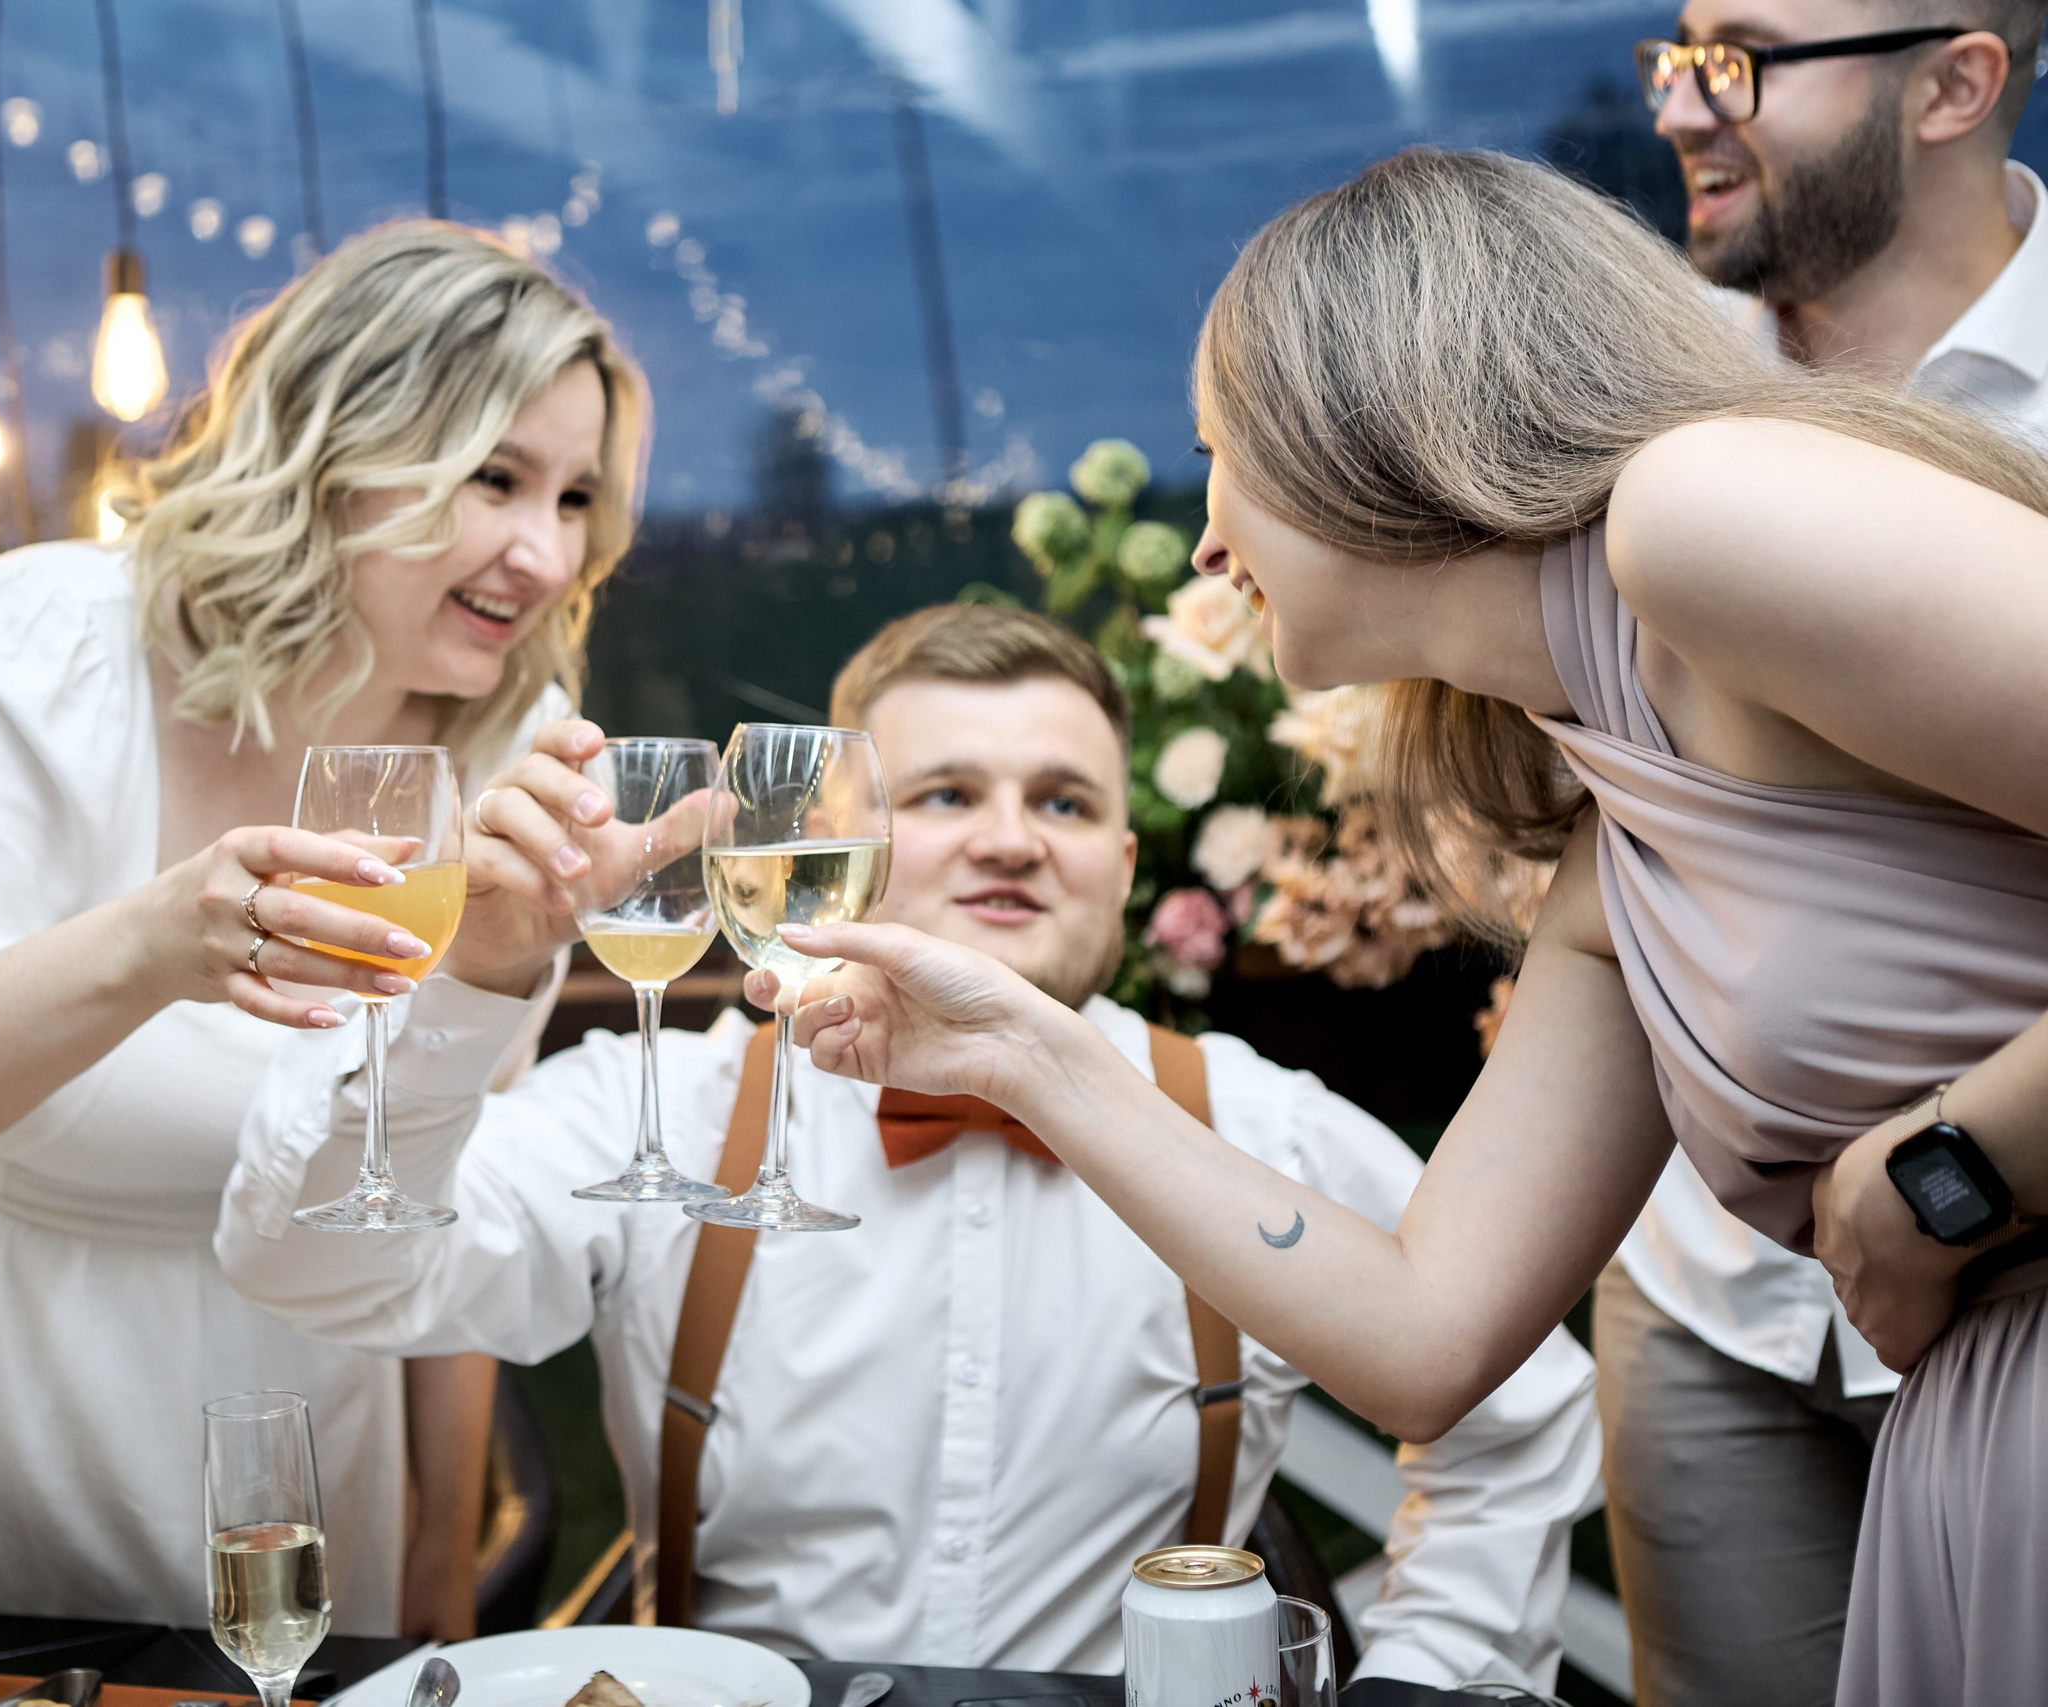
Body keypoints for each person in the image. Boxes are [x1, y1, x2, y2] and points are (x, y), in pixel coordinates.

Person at [771, 149, 2048, 1707]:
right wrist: (1025, 1056)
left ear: (1357, 410)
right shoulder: (1622, 841)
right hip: (1982, 1466)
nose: (1206, 541)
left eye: (1219, 452)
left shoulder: (1702, 511)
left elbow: (1933, 1173)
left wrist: (1945, 1175)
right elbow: (1425, 1339)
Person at [215, 604, 1602, 1692]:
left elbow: (1524, 1409)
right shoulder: (675, 1110)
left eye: (1064, 803)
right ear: (832, 841)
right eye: (945, 794)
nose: (1011, 839)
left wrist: (1428, 1684)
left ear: (1125, 869)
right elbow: (310, 1270)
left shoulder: (1259, 1125)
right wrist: (472, 979)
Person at [0, 223, 648, 1632]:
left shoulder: (511, 745)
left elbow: (437, 1174)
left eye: (577, 498)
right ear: (337, 445)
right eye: (496, 478)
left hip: (275, 1451)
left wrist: (436, 1568)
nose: (545, 551)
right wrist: (151, 947)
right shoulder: (36, 646)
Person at [1594, 6, 2048, 1699]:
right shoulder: (1633, 386)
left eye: (1743, 58)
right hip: (1706, 1304)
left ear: (1955, 82)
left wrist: (1947, 1178)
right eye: (1674, 52)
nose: (1680, 108)